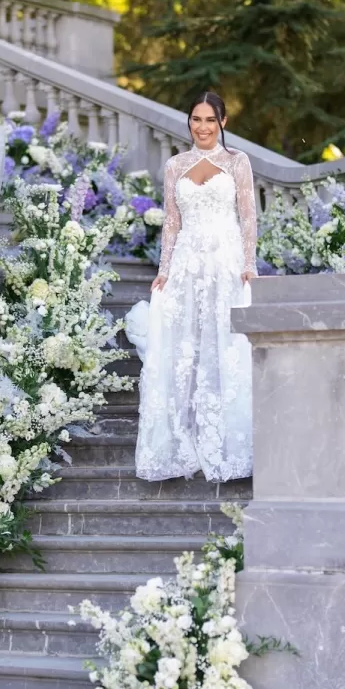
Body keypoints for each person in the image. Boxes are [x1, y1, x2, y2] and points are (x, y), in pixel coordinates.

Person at [126, 92, 256, 483]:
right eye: (195, 120)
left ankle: (226, 445)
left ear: (223, 122)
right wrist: (164, 270)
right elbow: (171, 222)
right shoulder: (175, 165)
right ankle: (181, 444)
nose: (201, 127)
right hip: (186, 264)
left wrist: (248, 264)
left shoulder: (237, 162)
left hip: (225, 262)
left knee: (224, 346)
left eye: (209, 120)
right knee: (183, 349)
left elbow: (248, 216)